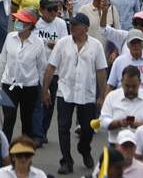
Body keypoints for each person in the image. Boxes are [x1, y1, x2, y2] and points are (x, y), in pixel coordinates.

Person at [41, 13, 107, 174]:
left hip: (87, 93)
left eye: (76, 25)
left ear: (85, 28)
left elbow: (100, 71)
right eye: (71, 24)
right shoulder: (62, 43)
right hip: (65, 91)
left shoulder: (96, 46)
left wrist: (102, 96)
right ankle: (66, 161)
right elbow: (50, 68)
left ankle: (84, 149)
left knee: (87, 128)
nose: (72, 27)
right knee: (63, 127)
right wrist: (45, 90)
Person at [0, 8, 47, 141]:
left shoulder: (38, 43)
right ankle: (4, 152)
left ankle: (25, 152)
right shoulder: (10, 37)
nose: (17, 23)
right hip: (9, 85)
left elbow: (41, 68)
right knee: (8, 119)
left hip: (29, 87)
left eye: (21, 21)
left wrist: (43, 90)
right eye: (17, 20)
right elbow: (3, 61)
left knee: (27, 121)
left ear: (30, 24)